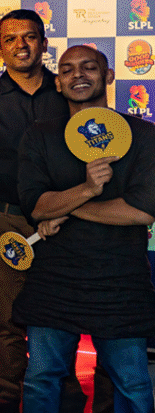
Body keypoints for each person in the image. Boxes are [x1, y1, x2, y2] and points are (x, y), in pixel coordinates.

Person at [0, 9, 84, 413]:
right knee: (8, 314)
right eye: (11, 39)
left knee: (61, 311)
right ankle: (10, 391)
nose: (21, 45)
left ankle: (64, 386)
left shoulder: (67, 94)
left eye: (29, 37)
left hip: (63, 219)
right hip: (2, 220)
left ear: (44, 43)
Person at [17, 45, 155, 413]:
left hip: (120, 280)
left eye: (89, 67)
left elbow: (142, 211)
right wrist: (88, 190)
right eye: (67, 70)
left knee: (133, 383)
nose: (77, 75)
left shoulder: (143, 135)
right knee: (40, 379)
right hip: (54, 278)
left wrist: (68, 206)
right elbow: (36, 205)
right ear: (58, 83)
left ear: (108, 76)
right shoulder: (40, 135)